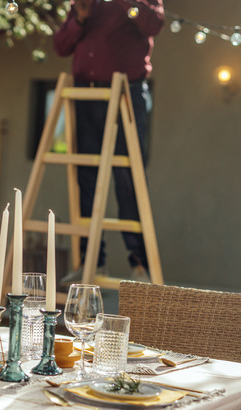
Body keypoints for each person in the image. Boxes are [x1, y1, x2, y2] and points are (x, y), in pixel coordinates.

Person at [53, 0, 163, 282]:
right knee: (85, 176)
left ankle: (139, 264)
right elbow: (61, 46)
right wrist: (80, 17)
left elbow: (154, 24)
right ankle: (91, 261)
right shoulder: (84, 4)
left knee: (128, 176)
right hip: (86, 96)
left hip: (126, 93)